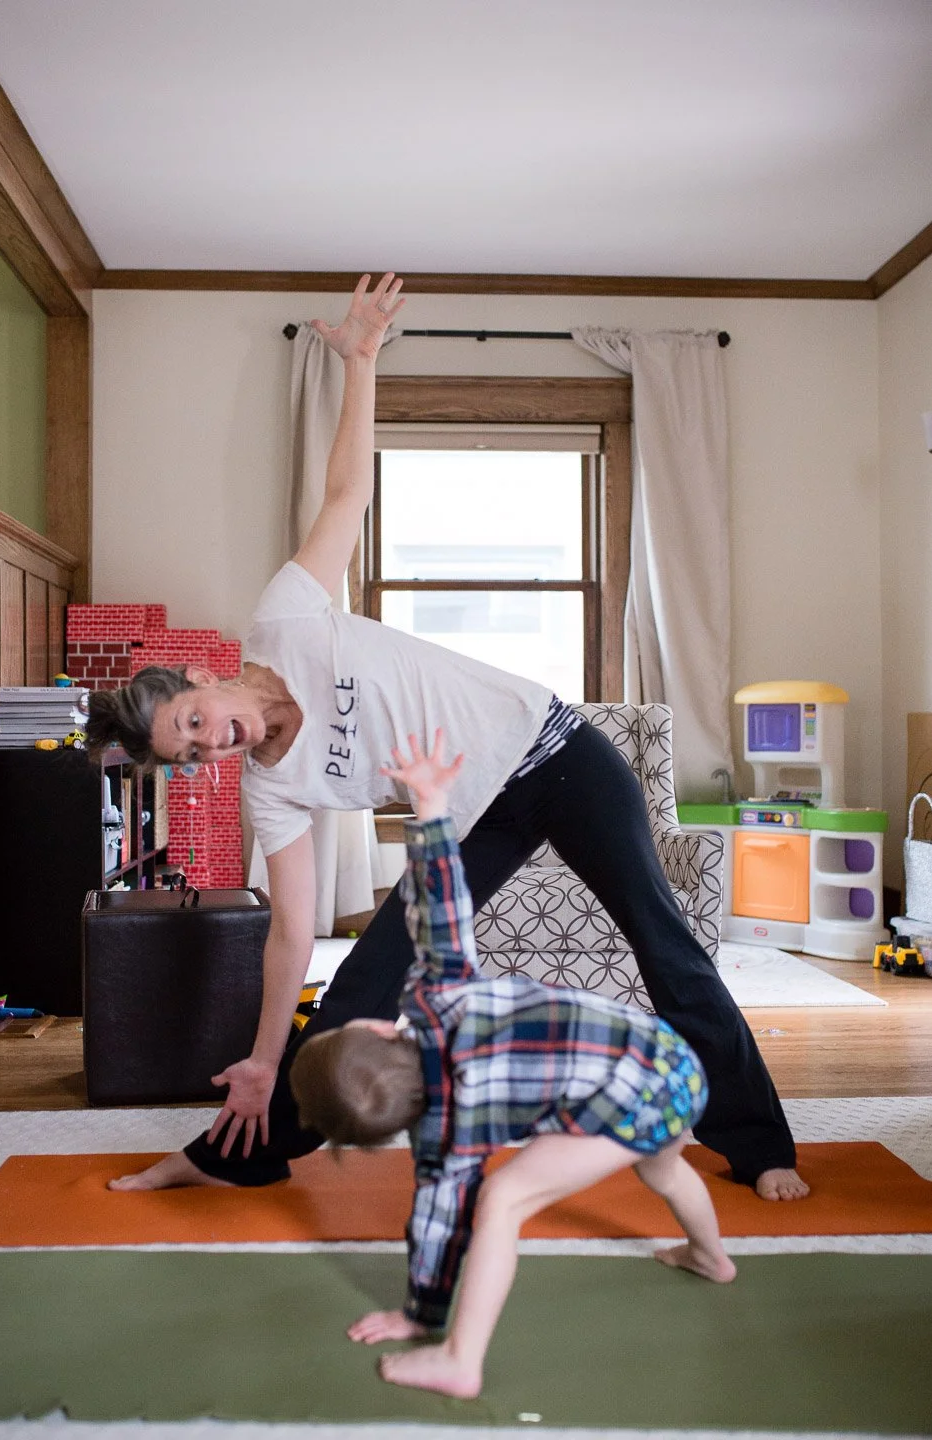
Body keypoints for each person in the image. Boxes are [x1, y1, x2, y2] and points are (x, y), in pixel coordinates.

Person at [88, 271, 807, 1202]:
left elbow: (347, 494)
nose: (210, 743)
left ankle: (758, 1144)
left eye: (193, 722)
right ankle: (240, 1152)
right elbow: (293, 933)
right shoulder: (271, 784)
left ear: (200, 679)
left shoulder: (286, 621)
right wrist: (264, 1057)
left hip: (561, 755)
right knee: (365, 978)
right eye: (190, 755)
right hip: (472, 817)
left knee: (663, 943)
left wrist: (362, 362)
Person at [290, 730, 738, 1400]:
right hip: (670, 1056)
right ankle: (711, 1256)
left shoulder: (445, 1140)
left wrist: (421, 1311)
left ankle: (460, 1360)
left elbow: (440, 1223)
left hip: (634, 1088)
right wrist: (432, 808)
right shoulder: (439, 997)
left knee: (499, 1201)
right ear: (385, 1027)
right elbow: (440, 911)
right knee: (663, 1165)